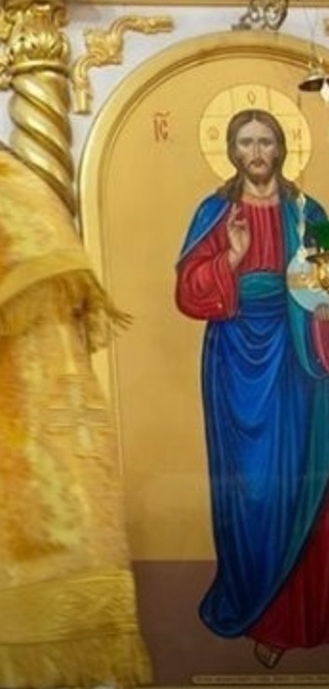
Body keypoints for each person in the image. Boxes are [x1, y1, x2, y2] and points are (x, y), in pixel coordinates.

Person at [176, 107, 329, 667]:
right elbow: (189, 291)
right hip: (235, 359)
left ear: (281, 148)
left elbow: (327, 285)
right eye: (246, 142)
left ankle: (294, 618)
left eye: (266, 141)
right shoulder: (214, 211)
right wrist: (231, 258)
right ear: (232, 150)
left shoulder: (308, 212)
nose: (257, 152)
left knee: (298, 480)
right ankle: (252, 604)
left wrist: (318, 297)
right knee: (249, 489)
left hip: (296, 357)